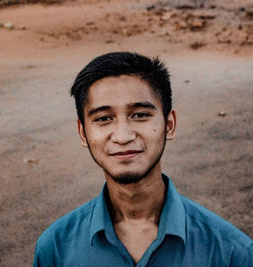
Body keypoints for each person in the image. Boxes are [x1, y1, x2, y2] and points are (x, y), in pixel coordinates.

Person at [33, 52, 253, 266]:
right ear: (83, 134)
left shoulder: (232, 253)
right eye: (103, 118)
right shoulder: (56, 248)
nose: (123, 136)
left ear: (169, 125)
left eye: (139, 115)